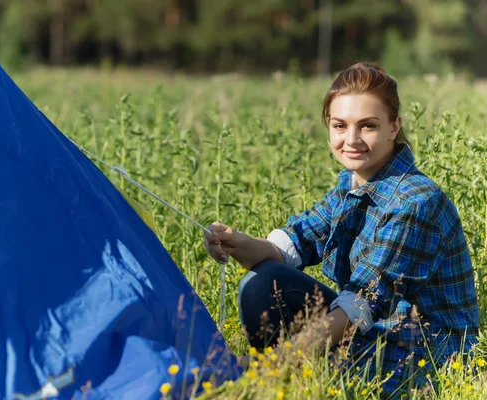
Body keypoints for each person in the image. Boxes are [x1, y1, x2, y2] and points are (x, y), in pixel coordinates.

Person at [204, 62, 479, 395]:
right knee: (261, 282)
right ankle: (283, 382)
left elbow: (361, 304)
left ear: (394, 127)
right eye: (339, 125)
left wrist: (273, 366)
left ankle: (278, 380)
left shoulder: (416, 202)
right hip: (372, 328)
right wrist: (234, 242)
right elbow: (293, 243)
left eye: (367, 126)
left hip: (421, 356)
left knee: (291, 357)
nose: (351, 140)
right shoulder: (354, 183)